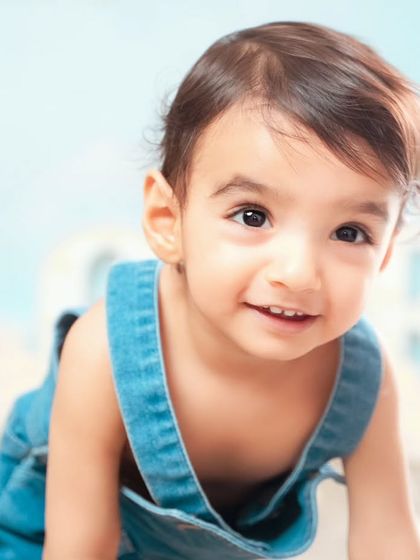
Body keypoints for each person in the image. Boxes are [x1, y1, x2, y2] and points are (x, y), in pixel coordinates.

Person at [1, 20, 420, 560]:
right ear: (166, 219)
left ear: (385, 254)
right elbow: (81, 545)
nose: (298, 273)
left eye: (349, 233)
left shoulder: (362, 376)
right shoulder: (104, 350)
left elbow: (388, 539)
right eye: (253, 215)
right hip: (47, 532)